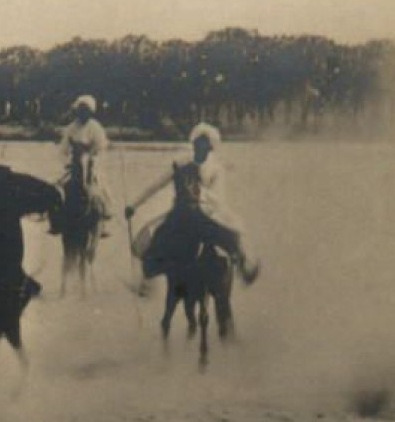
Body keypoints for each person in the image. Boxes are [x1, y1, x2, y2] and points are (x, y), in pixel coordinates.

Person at [124, 123, 260, 284]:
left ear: (210, 147)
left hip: (204, 213)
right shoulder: (180, 164)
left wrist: (201, 197)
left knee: (232, 234)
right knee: (154, 236)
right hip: (180, 212)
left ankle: (243, 267)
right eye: (197, 141)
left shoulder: (215, 169)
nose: (199, 145)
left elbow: (217, 197)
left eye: (204, 142)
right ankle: (145, 281)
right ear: (193, 142)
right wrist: (134, 205)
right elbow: (156, 185)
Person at [57, 95, 112, 233]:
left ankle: (103, 219)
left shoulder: (95, 127)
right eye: (80, 110)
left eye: (86, 110)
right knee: (60, 188)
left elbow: (101, 147)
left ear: (91, 112)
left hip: (91, 163)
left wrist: (93, 159)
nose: (82, 113)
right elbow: (63, 150)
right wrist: (68, 162)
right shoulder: (70, 128)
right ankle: (57, 221)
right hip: (75, 164)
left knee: (101, 189)